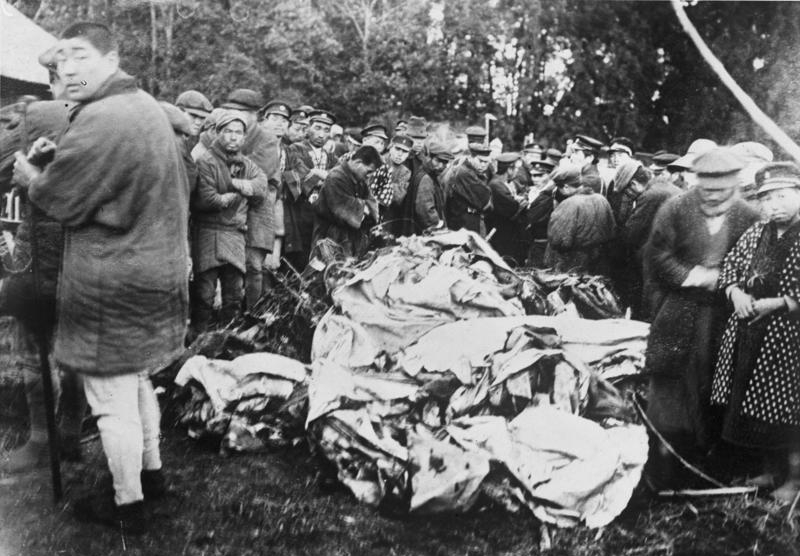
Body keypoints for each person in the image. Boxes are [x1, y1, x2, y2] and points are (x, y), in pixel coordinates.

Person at [15, 22, 190, 533]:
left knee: (110, 399)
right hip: (155, 271)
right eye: (59, 62)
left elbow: (59, 198)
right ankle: (151, 476)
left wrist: (33, 174)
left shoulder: (102, 118)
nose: (67, 70)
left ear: (110, 58)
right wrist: (58, 163)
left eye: (79, 57)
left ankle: (127, 504)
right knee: (136, 382)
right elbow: (104, 180)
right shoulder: (145, 107)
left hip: (112, 280)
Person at [643, 147, 760, 487]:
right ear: (697, 183)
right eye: (706, 191)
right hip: (678, 311)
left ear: (734, 185)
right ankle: (664, 466)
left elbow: (759, 266)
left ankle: (712, 465)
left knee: (718, 385)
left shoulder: (748, 215)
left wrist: (728, 281)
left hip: (725, 317)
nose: (713, 198)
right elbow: (657, 256)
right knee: (670, 384)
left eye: (721, 192)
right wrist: (695, 275)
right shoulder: (675, 208)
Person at [1, 53, 86, 473]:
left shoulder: (47, 112)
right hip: (67, 256)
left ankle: (46, 438)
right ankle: (66, 433)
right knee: (68, 350)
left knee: (36, 349)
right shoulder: (93, 116)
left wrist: (31, 168)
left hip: (49, 255)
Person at [711, 162, 800, 502]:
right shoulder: (758, 231)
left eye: (781, 197)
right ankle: (770, 469)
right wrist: (736, 294)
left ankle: (793, 480)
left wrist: (777, 304)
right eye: (766, 199)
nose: (773, 206)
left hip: (790, 339)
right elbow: (730, 266)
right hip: (752, 334)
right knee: (755, 406)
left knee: (789, 410)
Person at [191, 111, 268, 332]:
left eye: (238, 133)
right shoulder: (206, 161)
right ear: (217, 133)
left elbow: (261, 189)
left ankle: (228, 342)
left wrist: (231, 184)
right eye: (228, 132)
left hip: (235, 235)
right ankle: (196, 342)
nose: (234, 137)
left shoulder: (246, 163)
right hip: (208, 233)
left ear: (244, 137)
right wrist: (244, 189)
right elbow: (210, 199)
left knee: (233, 296)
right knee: (204, 296)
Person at [622, 172, 683, 321]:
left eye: (627, 191)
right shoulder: (668, 187)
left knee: (652, 298)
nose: (629, 196)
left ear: (634, 184)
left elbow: (632, 232)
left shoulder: (651, 195)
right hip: (675, 252)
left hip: (659, 255)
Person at [283, 109, 339, 270]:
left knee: (319, 255)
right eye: (317, 128)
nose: (321, 134)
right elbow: (300, 175)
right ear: (308, 128)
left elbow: (340, 179)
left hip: (322, 215)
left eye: (326, 130)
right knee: (297, 257)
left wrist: (318, 173)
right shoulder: (295, 149)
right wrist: (325, 177)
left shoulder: (330, 156)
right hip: (299, 212)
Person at [544, 164, 616, 275]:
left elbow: (558, 240)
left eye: (559, 188)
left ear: (566, 186)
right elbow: (611, 231)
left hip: (570, 262)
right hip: (597, 260)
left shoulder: (569, 204)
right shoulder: (602, 199)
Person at [312, 145, 381, 257]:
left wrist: (364, 207)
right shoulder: (336, 177)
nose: (369, 176)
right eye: (369, 171)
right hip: (330, 237)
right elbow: (341, 208)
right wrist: (364, 207)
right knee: (329, 270)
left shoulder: (360, 178)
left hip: (351, 236)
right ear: (358, 162)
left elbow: (372, 201)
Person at [402, 140, 453, 235]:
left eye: (445, 162)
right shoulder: (426, 178)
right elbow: (425, 210)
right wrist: (438, 227)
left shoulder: (429, 174)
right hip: (425, 233)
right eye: (437, 161)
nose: (441, 166)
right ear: (429, 158)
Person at [486, 152, 527, 266]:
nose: (517, 172)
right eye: (516, 169)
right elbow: (513, 208)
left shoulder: (505, 183)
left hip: (506, 231)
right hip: (502, 232)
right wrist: (521, 203)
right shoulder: (496, 185)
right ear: (509, 169)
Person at [445, 143, 493, 236]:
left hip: (470, 218)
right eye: (480, 161)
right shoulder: (465, 173)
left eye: (486, 162)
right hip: (463, 221)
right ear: (471, 157)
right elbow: (485, 200)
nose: (483, 165)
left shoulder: (471, 171)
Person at [370, 134, 412, 233]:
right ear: (390, 148)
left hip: (388, 215)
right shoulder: (378, 161)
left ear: (408, 154)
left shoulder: (405, 172)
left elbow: (397, 197)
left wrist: (381, 184)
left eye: (405, 151)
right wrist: (392, 185)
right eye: (397, 149)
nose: (400, 154)